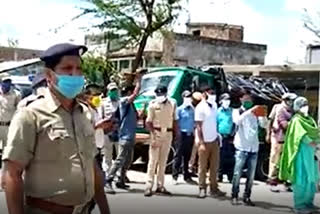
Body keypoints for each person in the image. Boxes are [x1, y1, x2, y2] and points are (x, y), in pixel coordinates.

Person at [1, 43, 110, 214]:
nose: (75, 74)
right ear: (49, 75)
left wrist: (105, 209)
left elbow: (92, 166)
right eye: (67, 68)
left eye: (79, 68)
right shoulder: (31, 115)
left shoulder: (84, 113)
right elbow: (12, 174)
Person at [279, 97, 320, 214]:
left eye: (306, 104)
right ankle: (300, 205)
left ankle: (309, 203)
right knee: (301, 178)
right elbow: (300, 135)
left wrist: (317, 141)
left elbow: (315, 132)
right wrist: (310, 141)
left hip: (311, 154)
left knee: (311, 179)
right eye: (302, 105)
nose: (305, 107)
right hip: (301, 154)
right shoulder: (296, 120)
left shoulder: (310, 120)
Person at [105, 73, 142, 194]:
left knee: (128, 160)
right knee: (120, 159)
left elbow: (136, 118)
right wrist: (139, 80)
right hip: (125, 136)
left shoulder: (131, 105)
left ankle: (121, 180)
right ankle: (108, 180)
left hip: (131, 136)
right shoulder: (124, 101)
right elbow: (135, 94)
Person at [231, 90, 267, 206]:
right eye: (246, 99)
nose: (248, 101)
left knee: (251, 176)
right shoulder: (237, 111)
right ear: (240, 99)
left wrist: (262, 116)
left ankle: (247, 196)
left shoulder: (255, 113)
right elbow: (237, 121)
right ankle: (234, 195)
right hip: (242, 147)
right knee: (237, 173)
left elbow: (264, 125)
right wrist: (249, 111)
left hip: (254, 147)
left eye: (250, 99)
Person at [144, 85, 178, 197]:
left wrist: (176, 135)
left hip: (168, 133)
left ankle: (160, 185)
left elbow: (175, 120)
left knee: (163, 161)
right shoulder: (152, 104)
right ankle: (148, 186)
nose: (159, 96)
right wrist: (153, 135)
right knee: (153, 161)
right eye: (158, 94)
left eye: (161, 94)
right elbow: (148, 122)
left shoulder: (172, 104)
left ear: (166, 94)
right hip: (156, 133)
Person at [195, 85, 226, 199]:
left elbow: (214, 122)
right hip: (204, 142)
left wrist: (217, 136)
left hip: (214, 140)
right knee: (202, 167)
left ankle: (214, 188)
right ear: (204, 94)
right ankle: (202, 188)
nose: (213, 95)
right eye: (210, 93)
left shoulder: (214, 106)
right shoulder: (200, 108)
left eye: (213, 93)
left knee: (214, 167)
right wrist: (202, 142)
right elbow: (198, 126)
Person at [267, 93, 297, 192]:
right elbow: (277, 123)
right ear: (285, 100)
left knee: (287, 161)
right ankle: (272, 181)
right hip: (277, 137)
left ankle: (287, 182)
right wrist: (268, 134)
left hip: (288, 139)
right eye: (290, 100)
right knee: (275, 160)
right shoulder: (279, 108)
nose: (291, 102)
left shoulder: (293, 110)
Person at [172, 90, 197, 185]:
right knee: (178, 155)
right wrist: (177, 134)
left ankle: (186, 175)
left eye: (190, 97)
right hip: (181, 134)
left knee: (187, 156)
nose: (188, 98)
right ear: (183, 97)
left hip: (190, 135)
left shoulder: (193, 109)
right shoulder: (179, 109)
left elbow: (195, 122)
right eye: (186, 96)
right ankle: (175, 175)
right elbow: (176, 123)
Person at [0, 78, 21, 167]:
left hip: (8, 126)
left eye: (8, 82)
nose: (6, 84)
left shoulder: (16, 94)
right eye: (4, 82)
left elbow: (19, 110)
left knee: (7, 148)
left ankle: (5, 168)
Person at [101, 82, 120, 176]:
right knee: (108, 155)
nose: (114, 92)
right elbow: (100, 118)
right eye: (112, 91)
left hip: (119, 132)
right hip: (107, 132)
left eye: (115, 90)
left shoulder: (120, 102)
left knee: (119, 155)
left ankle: (120, 174)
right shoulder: (103, 103)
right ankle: (108, 175)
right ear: (108, 92)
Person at [217, 93, 235, 183]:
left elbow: (235, 124)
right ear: (221, 101)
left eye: (228, 100)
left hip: (230, 137)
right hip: (220, 137)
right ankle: (219, 176)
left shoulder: (232, 111)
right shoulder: (218, 111)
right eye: (225, 100)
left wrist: (233, 134)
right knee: (220, 157)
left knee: (230, 158)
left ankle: (230, 177)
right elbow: (215, 124)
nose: (227, 102)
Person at [188, 92, 203, 177]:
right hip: (192, 129)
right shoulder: (190, 108)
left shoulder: (199, 108)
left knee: (196, 148)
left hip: (197, 129)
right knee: (194, 149)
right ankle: (190, 167)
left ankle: (192, 167)